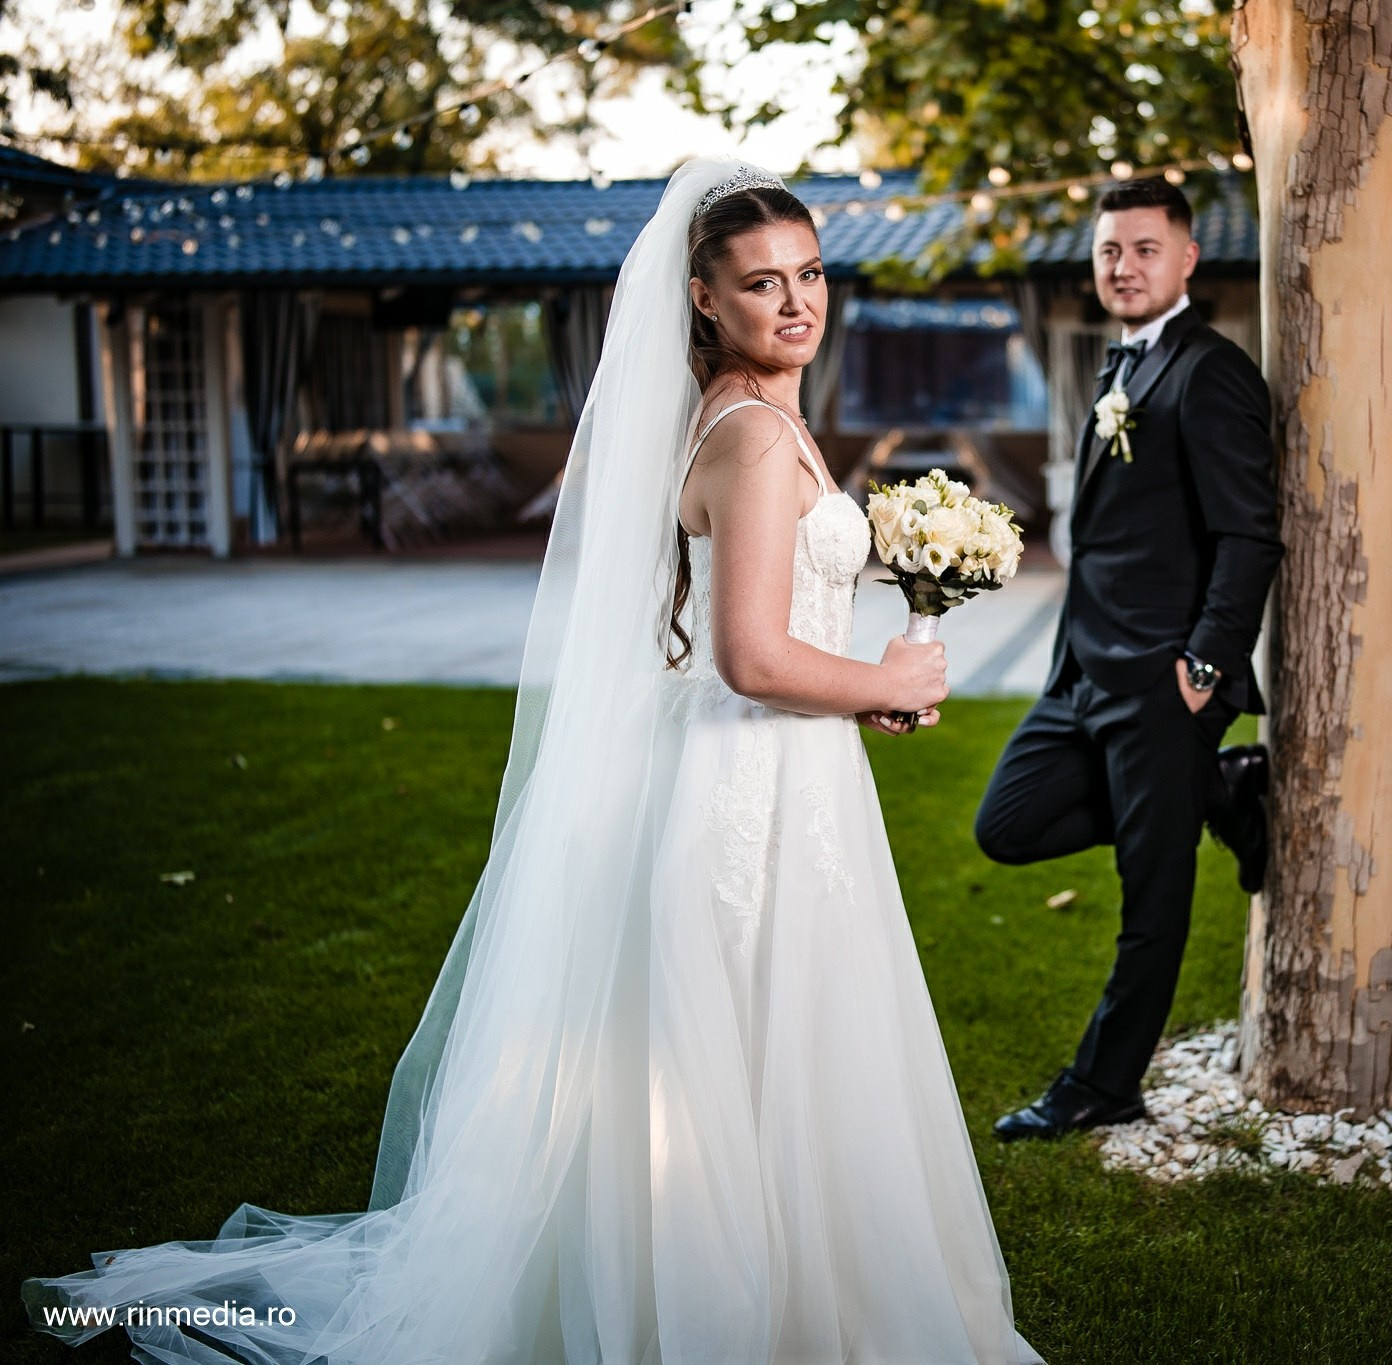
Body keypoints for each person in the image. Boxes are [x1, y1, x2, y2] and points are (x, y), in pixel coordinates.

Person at [22, 158, 1044, 1365]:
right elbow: (752, 658)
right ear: (704, 302)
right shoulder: (759, 437)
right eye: (761, 284)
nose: (796, 302)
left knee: (778, 1041)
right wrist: (881, 681)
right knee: (763, 1036)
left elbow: (774, 629)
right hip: (748, 789)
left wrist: (863, 674)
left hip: (776, 773)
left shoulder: (753, 413)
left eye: (810, 274)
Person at [974, 176, 1282, 1142]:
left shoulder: (1210, 369)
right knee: (1008, 823)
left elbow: (1250, 533)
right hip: (1083, 672)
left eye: (1146, 248)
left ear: (1187, 258)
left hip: (1161, 683)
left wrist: (1204, 666)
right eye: (1110, 250)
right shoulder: (1122, 369)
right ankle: (1223, 794)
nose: (1124, 265)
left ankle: (1104, 1082)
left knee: (1153, 902)